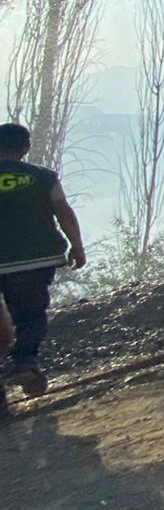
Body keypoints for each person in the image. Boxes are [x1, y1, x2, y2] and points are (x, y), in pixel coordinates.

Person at [0, 122, 87, 396]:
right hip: (35, 258)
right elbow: (63, 211)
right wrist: (77, 246)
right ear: (26, 148)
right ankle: (25, 362)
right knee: (30, 315)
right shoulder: (43, 177)